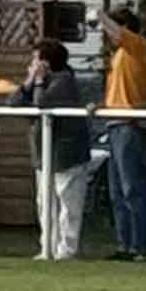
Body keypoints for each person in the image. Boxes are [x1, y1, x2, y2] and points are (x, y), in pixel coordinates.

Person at [99, 0, 146, 262]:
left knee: (132, 188)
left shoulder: (138, 46)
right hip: (114, 125)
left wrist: (99, 14)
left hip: (130, 126)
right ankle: (125, 245)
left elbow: (116, 32)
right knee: (116, 191)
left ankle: (141, 247)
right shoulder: (117, 56)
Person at [24, 36, 94, 262]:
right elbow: (14, 101)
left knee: (68, 204)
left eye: (36, 60)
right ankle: (48, 248)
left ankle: (66, 250)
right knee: (45, 204)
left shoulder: (64, 80)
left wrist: (37, 82)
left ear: (47, 62)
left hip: (67, 154)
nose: (32, 64)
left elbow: (40, 103)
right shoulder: (40, 80)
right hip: (44, 154)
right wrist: (28, 82)